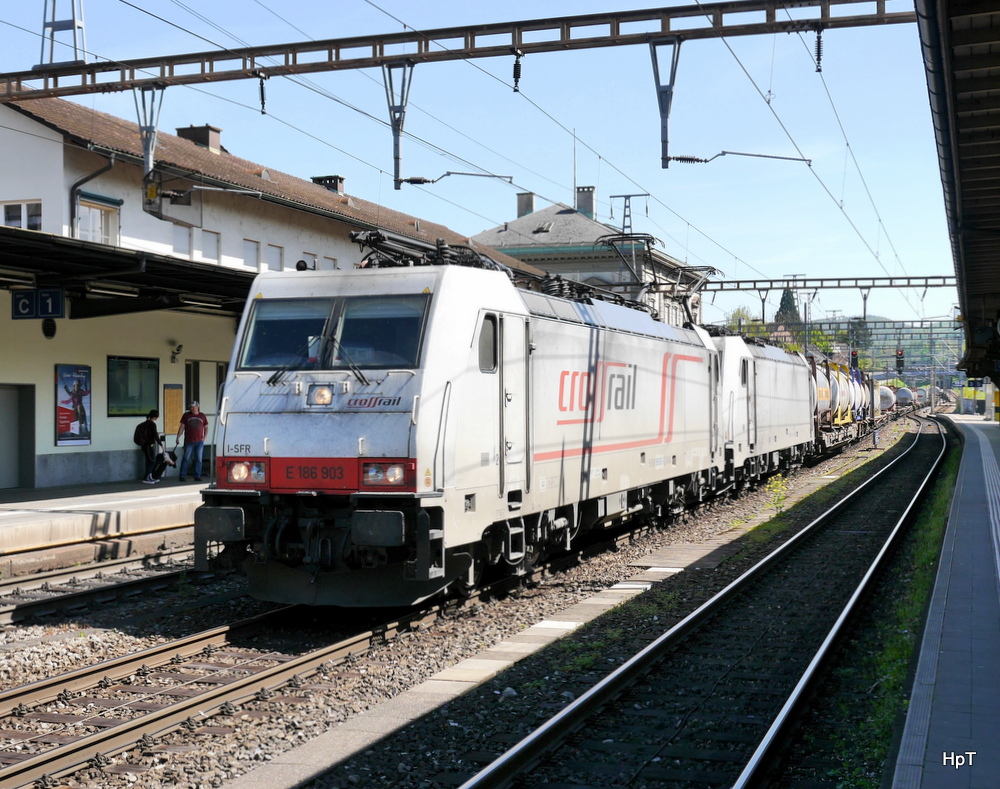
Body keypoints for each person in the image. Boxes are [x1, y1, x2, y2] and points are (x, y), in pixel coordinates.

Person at [176, 401, 209, 482]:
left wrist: (204, 437)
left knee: (198, 459)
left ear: (198, 407)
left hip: (199, 441)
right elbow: (182, 427)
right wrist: (178, 437)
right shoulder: (186, 415)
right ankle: (182, 475)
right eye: (191, 407)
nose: (192, 408)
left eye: (193, 407)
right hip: (189, 440)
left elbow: (206, 427)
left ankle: (197, 475)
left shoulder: (202, 415)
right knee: (186, 458)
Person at [137, 409, 161, 484]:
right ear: (155, 417)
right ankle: (146, 478)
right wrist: (161, 444)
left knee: (148, 461)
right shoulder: (152, 424)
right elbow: (156, 435)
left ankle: (150, 477)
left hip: (144, 445)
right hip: (149, 445)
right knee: (152, 461)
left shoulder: (144, 424)